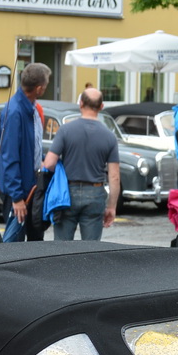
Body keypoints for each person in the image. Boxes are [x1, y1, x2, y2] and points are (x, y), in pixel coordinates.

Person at [43, 88, 120, 241]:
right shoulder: (110, 137)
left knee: (62, 248)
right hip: (95, 193)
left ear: (81, 104)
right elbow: (114, 177)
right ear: (101, 107)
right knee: (90, 249)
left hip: (67, 193)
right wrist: (111, 206)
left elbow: (49, 163)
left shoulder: (65, 130)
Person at [0, 62, 49, 242]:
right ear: (39, 88)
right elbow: (9, 156)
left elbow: (32, 146)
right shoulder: (15, 112)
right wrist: (17, 197)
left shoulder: (31, 108)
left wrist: (43, 159)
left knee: (35, 242)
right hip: (18, 191)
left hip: (30, 186)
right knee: (14, 246)